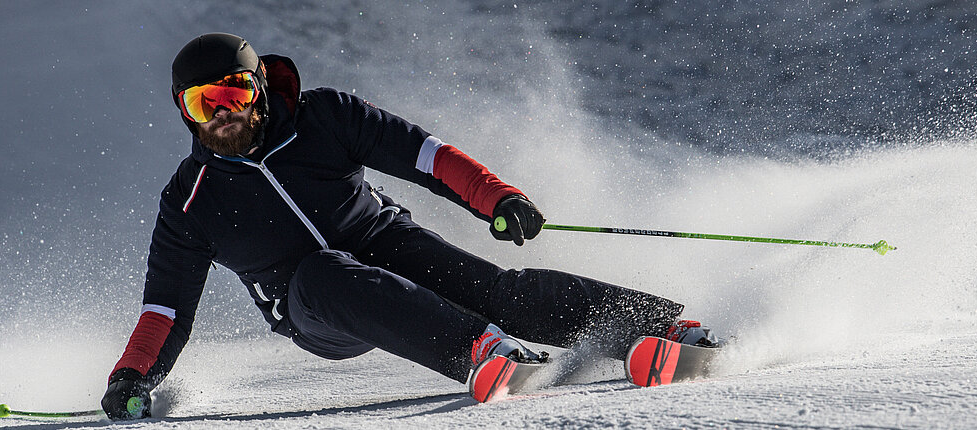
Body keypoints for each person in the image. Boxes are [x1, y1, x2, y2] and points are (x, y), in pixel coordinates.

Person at [100, 32, 718, 420]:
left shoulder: (325, 116)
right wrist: (133, 377)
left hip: (382, 242)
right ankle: (482, 352)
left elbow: (423, 154)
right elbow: (165, 308)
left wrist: (496, 198)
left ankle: (661, 330)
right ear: (185, 112)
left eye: (233, 93)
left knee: (498, 290)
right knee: (323, 273)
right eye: (204, 103)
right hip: (313, 306)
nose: (223, 114)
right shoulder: (191, 198)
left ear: (260, 88)